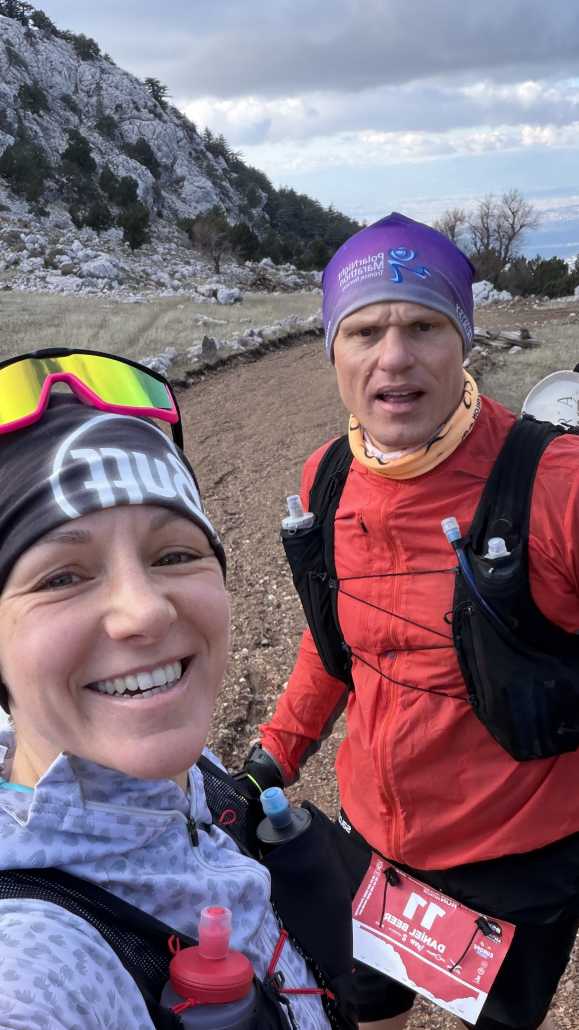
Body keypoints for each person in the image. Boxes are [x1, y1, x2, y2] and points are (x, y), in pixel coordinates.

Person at [244, 213, 579, 1030]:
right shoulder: (326, 476)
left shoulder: (556, 481)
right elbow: (332, 641)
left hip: (517, 857)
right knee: (366, 1009)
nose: (393, 358)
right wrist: (272, 755)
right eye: (364, 332)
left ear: (463, 338)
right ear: (332, 351)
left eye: (423, 326)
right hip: (372, 841)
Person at [0, 349, 352, 1030]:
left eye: (175, 555)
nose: (146, 611)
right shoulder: (35, 970)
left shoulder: (194, 776)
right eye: (62, 576)